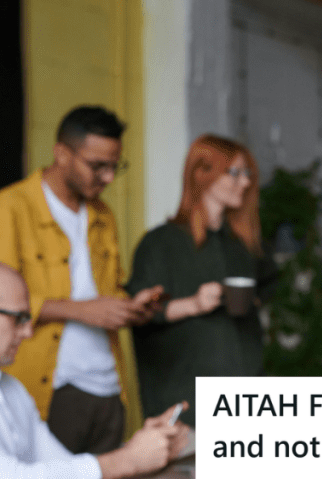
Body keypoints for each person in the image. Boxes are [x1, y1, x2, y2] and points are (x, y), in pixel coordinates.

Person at [0, 106, 163, 454]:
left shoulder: (103, 215)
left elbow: (108, 290)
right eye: (97, 166)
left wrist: (130, 306)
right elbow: (4, 301)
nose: (107, 178)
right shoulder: (10, 207)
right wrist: (82, 311)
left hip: (109, 386)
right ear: (62, 153)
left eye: (114, 167)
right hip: (51, 387)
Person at [0, 263, 189, 479]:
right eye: (19, 318)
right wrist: (127, 460)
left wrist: (147, 449)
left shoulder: (13, 391)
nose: (28, 331)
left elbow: (62, 465)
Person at [126, 135, 264, 428]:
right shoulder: (160, 243)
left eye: (248, 174)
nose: (245, 182)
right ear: (202, 174)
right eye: (235, 173)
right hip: (186, 408)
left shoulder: (239, 246)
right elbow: (138, 313)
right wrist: (194, 304)